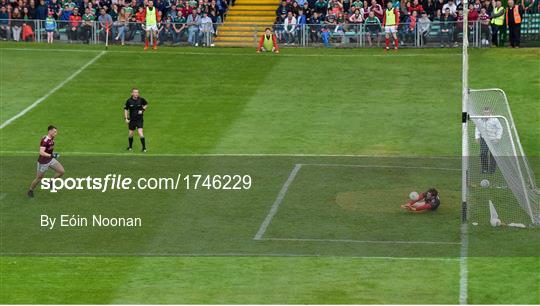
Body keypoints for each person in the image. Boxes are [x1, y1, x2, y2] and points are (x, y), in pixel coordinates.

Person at [28, 125, 65, 198]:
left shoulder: (51, 138)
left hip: (50, 159)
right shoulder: (45, 141)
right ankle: (30, 190)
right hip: (43, 162)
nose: (56, 133)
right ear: (50, 131)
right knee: (39, 178)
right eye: (54, 132)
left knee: (61, 171)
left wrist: (52, 155)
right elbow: (41, 152)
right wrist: (51, 155)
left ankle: (51, 182)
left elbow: (48, 150)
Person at [475, 107, 502, 174]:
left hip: (494, 139)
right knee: (483, 153)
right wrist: (477, 137)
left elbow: (500, 129)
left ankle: (492, 170)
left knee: (493, 155)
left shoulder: (495, 120)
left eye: (487, 113)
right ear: (483, 113)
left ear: (490, 112)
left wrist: (498, 138)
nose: (486, 114)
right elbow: (477, 128)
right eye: (485, 113)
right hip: (484, 139)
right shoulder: (480, 120)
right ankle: (484, 169)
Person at [124, 88, 148, 152]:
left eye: (137, 92)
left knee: (140, 132)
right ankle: (130, 147)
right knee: (130, 134)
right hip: (132, 120)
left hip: (139, 119)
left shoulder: (141, 100)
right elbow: (126, 109)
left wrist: (142, 110)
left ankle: (144, 148)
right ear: (132, 93)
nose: (136, 93)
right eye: (135, 92)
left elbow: (146, 104)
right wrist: (126, 118)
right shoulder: (129, 101)